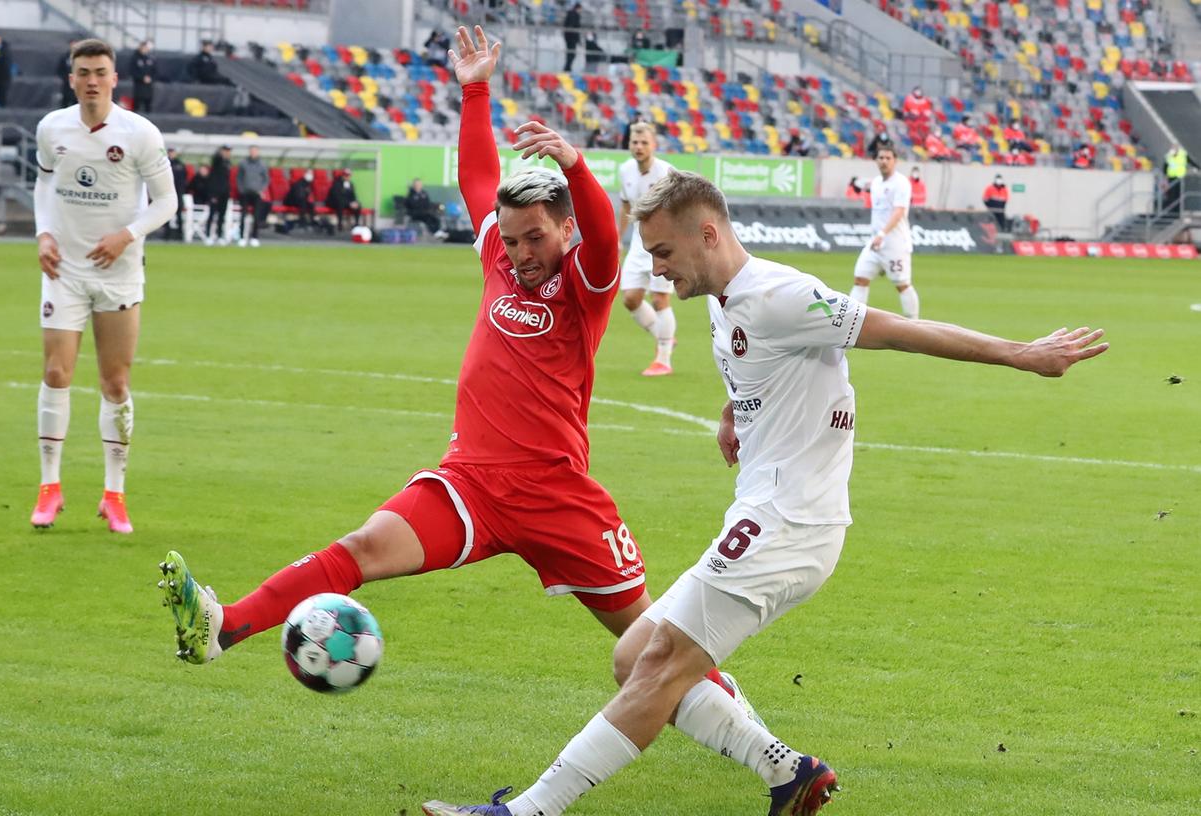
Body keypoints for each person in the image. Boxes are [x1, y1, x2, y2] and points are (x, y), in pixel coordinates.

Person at [422, 169, 1109, 816]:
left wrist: (1023, 354)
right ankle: (786, 770)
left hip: (789, 523)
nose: (656, 269)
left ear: (707, 235)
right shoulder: (723, 303)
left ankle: (524, 811)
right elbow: (755, 362)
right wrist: (734, 414)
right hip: (767, 513)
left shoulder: (779, 295)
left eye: (663, 252)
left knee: (656, 669)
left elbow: (904, 331)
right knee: (633, 652)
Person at [158, 27, 761, 750]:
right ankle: (223, 628)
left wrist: (573, 162)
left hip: (555, 494)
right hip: (469, 483)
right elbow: (479, 178)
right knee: (360, 547)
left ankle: (760, 743)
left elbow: (603, 233)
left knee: (652, 644)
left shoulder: (585, 281)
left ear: (562, 230)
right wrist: (474, 89)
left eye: (534, 237)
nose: (519, 253)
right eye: (509, 239)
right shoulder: (502, 262)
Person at [29, 39, 177, 533]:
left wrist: (125, 235)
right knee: (56, 372)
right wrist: (43, 233)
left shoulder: (140, 134)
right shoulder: (53, 128)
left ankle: (114, 494)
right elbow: (45, 185)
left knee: (115, 382)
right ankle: (49, 486)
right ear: (71, 78)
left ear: (115, 79)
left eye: (100, 72)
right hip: (64, 271)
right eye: (83, 71)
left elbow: (166, 203)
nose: (91, 79)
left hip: (119, 272)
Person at [617, 122, 677, 376]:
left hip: (663, 244)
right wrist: (617, 239)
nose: (639, 147)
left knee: (659, 298)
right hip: (639, 245)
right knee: (630, 299)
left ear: (654, 145)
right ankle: (664, 336)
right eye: (634, 142)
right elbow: (626, 207)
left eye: (644, 143)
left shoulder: (667, 173)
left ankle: (663, 359)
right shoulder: (625, 170)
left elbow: (677, 209)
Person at [850, 145, 920, 319]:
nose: (884, 161)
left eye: (888, 158)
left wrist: (882, 234)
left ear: (895, 161)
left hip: (895, 243)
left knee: (902, 284)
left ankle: (914, 323)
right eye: (881, 158)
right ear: (876, 160)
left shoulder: (901, 183)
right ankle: (853, 320)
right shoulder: (876, 183)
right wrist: (878, 236)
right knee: (860, 278)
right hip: (875, 243)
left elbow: (899, 212)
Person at [236, 146, 269, 247]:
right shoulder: (243, 163)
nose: (253, 153)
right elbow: (239, 178)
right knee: (243, 215)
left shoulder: (262, 165)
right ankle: (241, 237)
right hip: (245, 193)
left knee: (256, 216)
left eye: (255, 151)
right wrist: (241, 189)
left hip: (257, 194)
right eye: (252, 151)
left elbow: (266, 179)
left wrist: (261, 189)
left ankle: (254, 237)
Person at [207, 145, 233, 245]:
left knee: (222, 216)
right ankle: (209, 235)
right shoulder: (217, 161)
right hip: (215, 193)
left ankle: (219, 235)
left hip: (224, 193)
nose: (227, 153)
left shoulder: (228, 163)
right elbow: (215, 160)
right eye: (226, 151)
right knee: (212, 214)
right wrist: (213, 194)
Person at [163, 148, 188, 241]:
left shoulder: (180, 164)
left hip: (178, 193)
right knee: (167, 215)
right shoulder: (164, 163)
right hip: (167, 192)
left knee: (179, 215)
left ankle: (180, 234)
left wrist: (182, 189)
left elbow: (184, 178)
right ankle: (167, 235)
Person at [131, 40, 156, 114]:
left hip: (148, 87)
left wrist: (151, 78)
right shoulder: (135, 58)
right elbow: (132, 71)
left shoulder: (151, 59)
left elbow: (155, 71)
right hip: (139, 86)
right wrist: (142, 78)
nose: (145, 49)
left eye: (146, 48)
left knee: (148, 105)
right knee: (137, 106)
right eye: (143, 47)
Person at [1164, 143, 1188, 209]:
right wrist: (1165, 180)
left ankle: (1177, 209)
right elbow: (1165, 168)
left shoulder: (1183, 155)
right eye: (1173, 147)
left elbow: (1189, 161)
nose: (1174, 148)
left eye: (1175, 147)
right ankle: (1171, 209)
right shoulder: (1169, 156)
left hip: (1180, 178)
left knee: (1178, 194)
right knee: (1171, 194)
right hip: (1171, 178)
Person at [56, 39, 77, 107]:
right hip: (66, 85)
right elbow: (59, 70)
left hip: (76, 84)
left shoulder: (80, 57)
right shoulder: (65, 57)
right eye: (72, 44)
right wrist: (65, 78)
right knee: (65, 102)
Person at [563, 3, 582, 72]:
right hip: (572, 38)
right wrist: (578, 40)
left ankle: (567, 68)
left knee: (570, 53)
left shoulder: (570, 14)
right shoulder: (575, 15)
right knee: (571, 54)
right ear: (578, 8)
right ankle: (567, 68)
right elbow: (574, 27)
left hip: (569, 38)